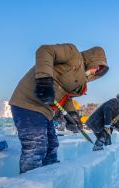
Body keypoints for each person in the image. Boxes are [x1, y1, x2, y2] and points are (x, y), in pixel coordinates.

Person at [9, 43, 108, 173]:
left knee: (51, 146)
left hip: (46, 111)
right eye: (98, 67)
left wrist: (71, 114)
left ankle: (49, 178)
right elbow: (45, 51)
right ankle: (30, 184)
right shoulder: (72, 53)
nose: (96, 71)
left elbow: (66, 95)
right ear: (92, 60)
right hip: (29, 103)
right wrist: (44, 80)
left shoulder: (81, 79)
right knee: (36, 147)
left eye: (100, 70)